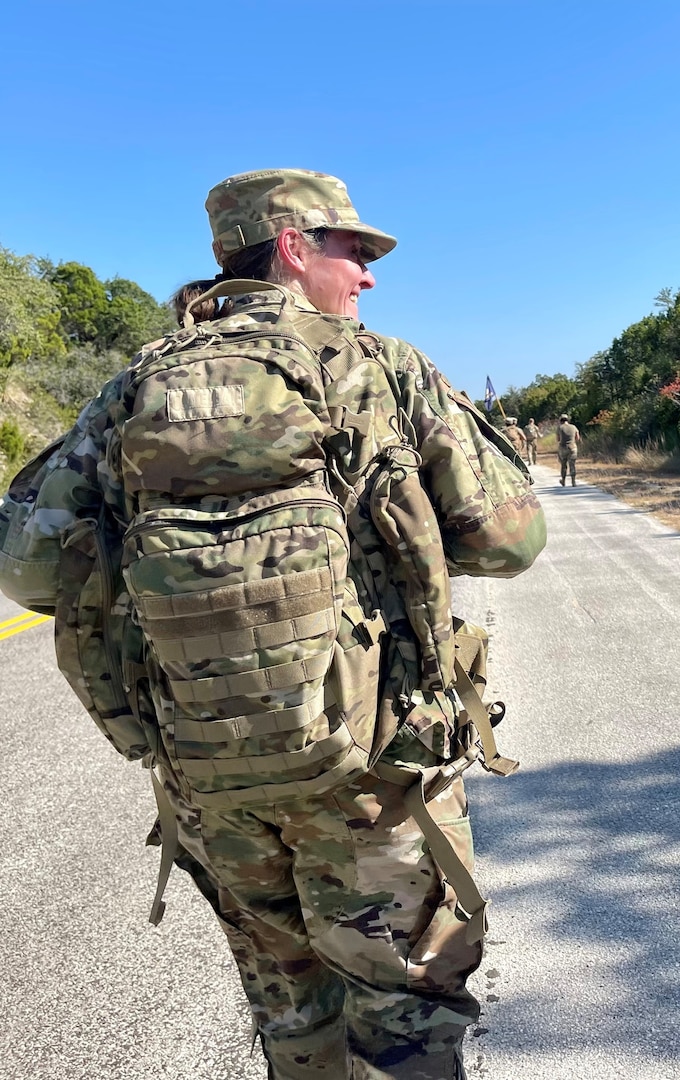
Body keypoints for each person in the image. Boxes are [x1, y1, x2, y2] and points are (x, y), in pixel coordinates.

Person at [0, 169, 546, 1079]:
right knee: (402, 1014)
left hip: (214, 784)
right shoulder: (382, 370)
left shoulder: (131, 387)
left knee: (291, 1015)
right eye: (353, 250)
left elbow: (26, 570)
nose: (367, 275)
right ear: (295, 247)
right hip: (371, 773)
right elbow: (510, 543)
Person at [556, 413, 581, 486]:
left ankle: (563, 480)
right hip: (573, 447)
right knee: (572, 464)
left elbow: (558, 439)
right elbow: (577, 438)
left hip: (563, 448)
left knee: (563, 465)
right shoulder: (573, 427)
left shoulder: (560, 428)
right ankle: (573, 481)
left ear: (561, 420)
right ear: (567, 420)